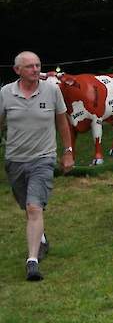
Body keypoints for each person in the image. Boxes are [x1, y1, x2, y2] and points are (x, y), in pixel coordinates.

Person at [1, 51, 74, 281]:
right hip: (15, 159)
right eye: (30, 66)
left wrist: (68, 151)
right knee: (28, 206)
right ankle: (40, 237)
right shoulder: (5, 93)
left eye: (37, 65)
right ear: (17, 70)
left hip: (43, 158)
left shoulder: (52, 90)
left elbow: (62, 121)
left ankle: (32, 261)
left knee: (34, 207)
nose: (35, 69)